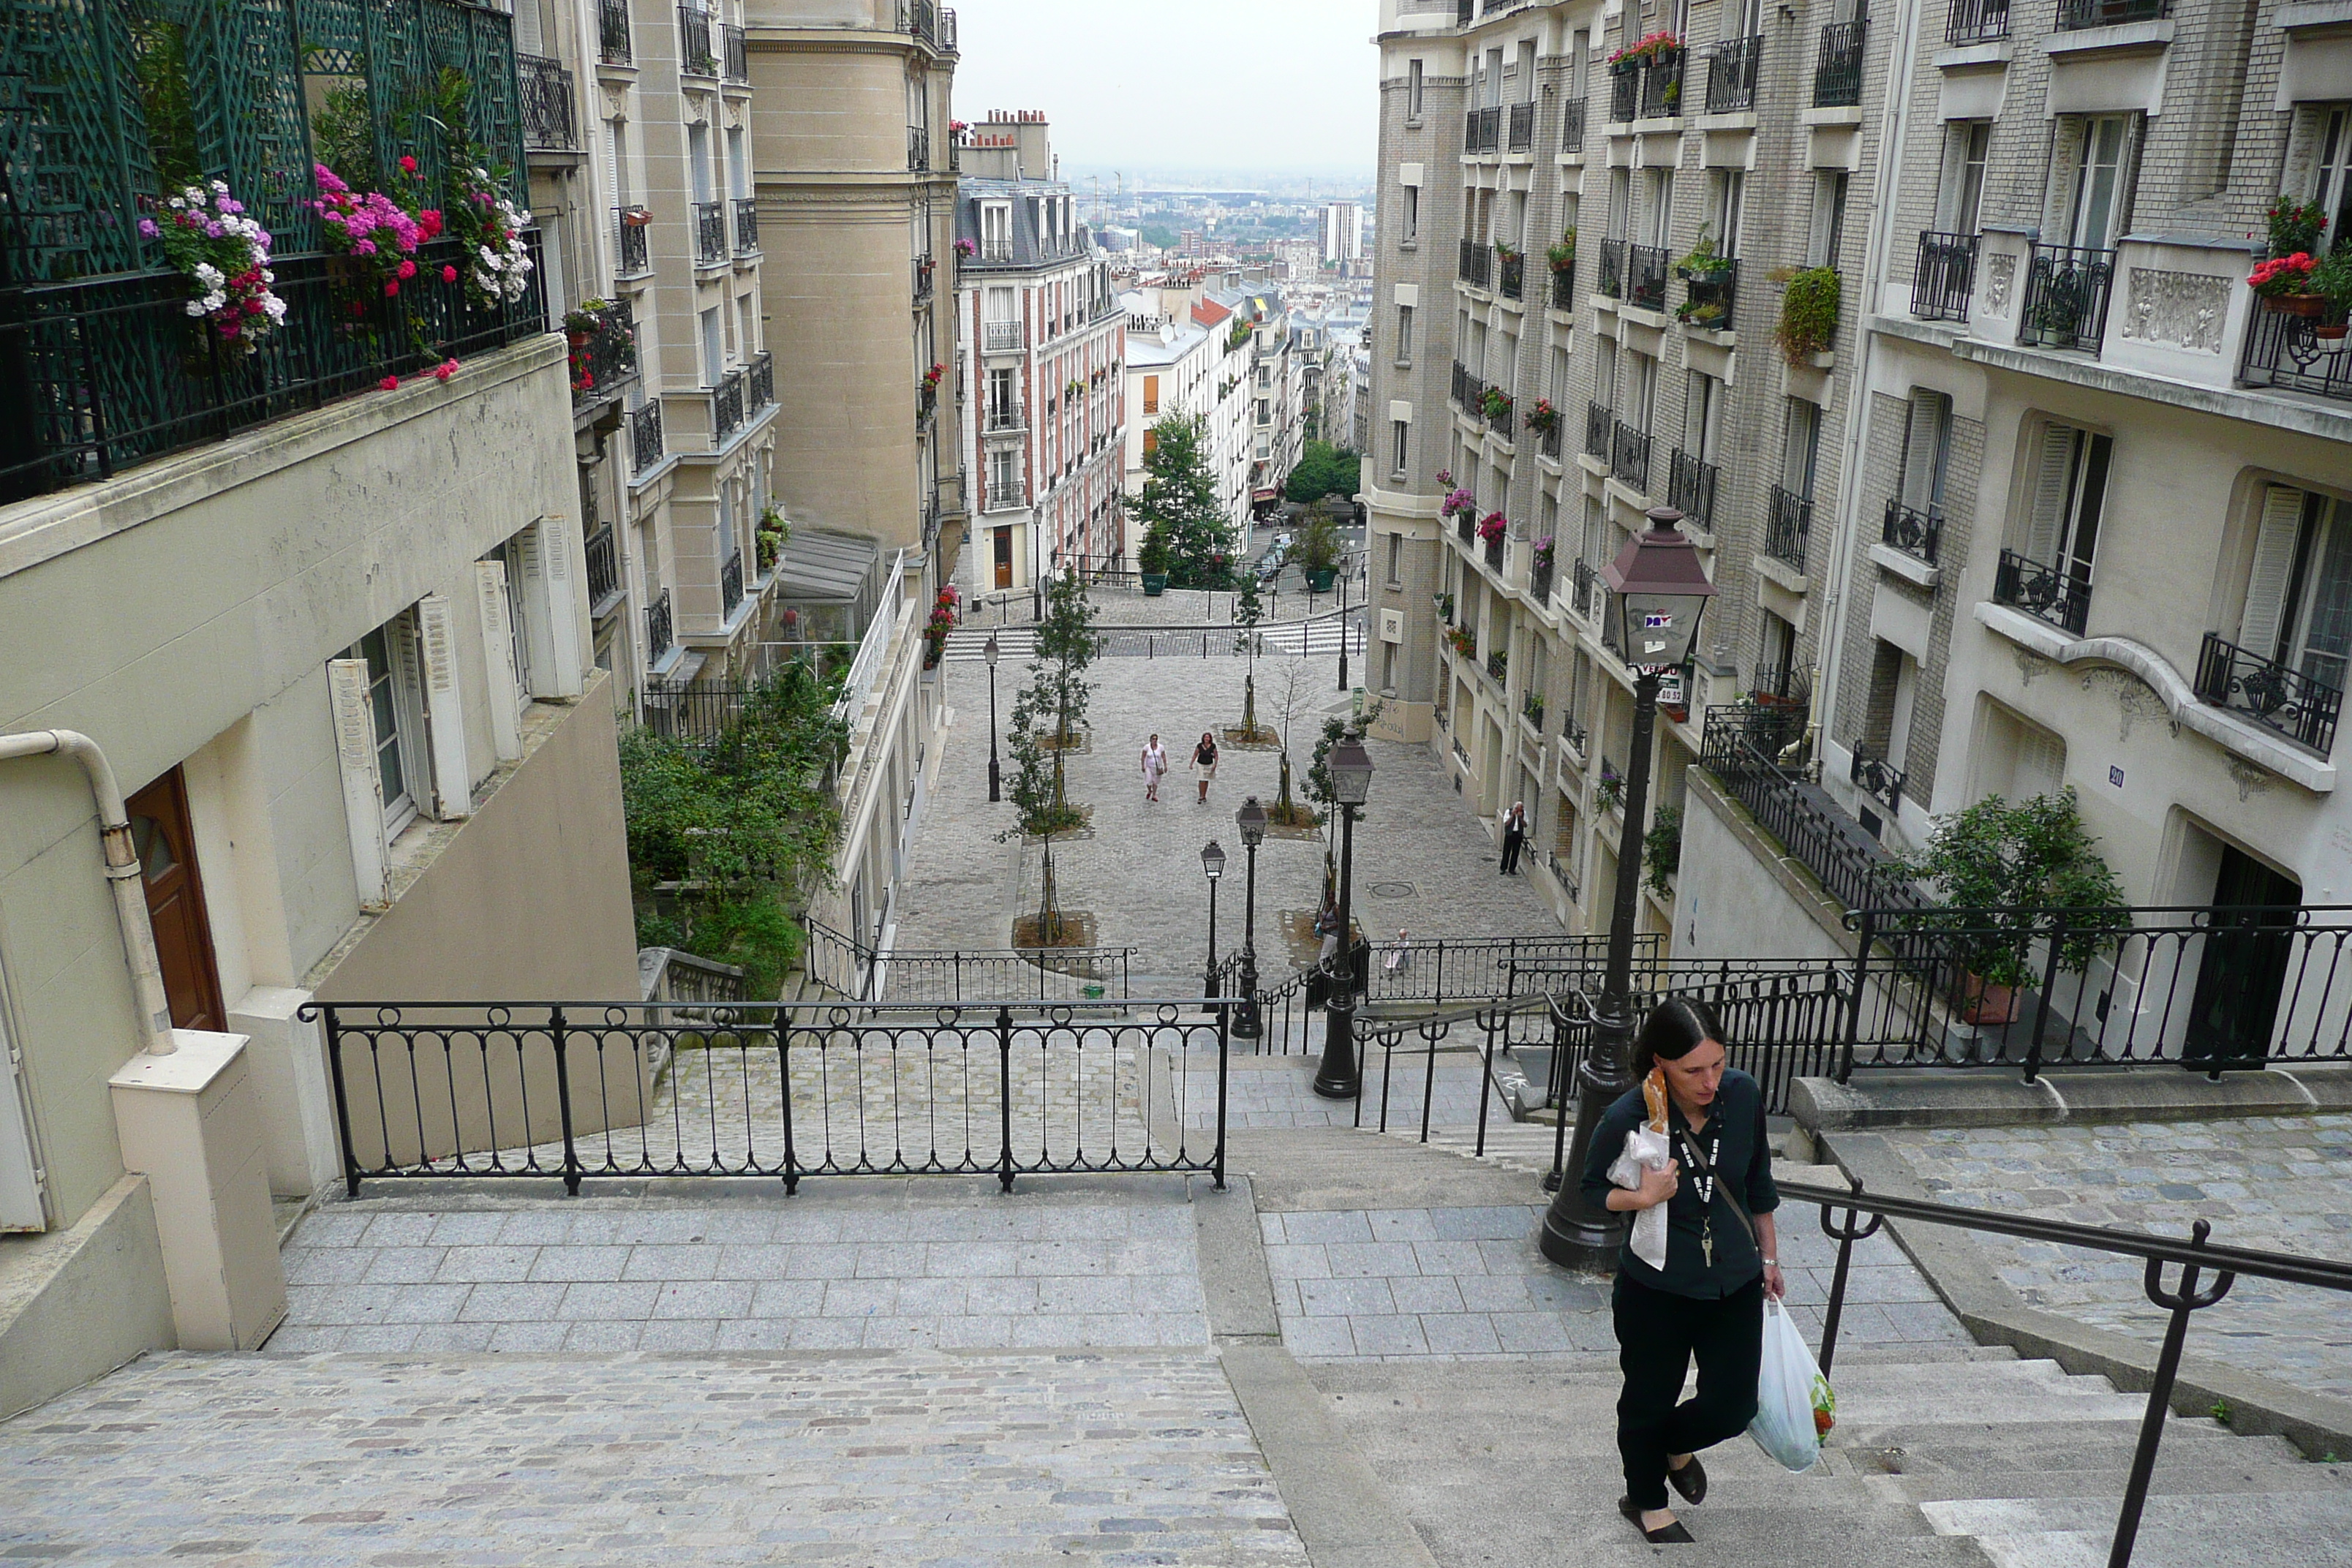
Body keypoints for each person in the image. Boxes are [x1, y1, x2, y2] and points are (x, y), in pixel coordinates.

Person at [1579, 998, 1784, 1546]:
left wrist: (1769, 1257)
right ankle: (1645, 1500)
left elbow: (1758, 1181)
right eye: (1694, 1070)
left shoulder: (1741, 1096)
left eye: (1718, 1063)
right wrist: (1642, 1195)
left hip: (1734, 1278)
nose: (1710, 1080)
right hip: (1657, 1287)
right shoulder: (1629, 1117)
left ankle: (1666, 1446)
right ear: (1658, 1064)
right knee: (1648, 1396)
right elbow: (1590, 1191)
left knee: (1734, 1405)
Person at [1499, 801, 1528, 875]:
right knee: (1506, 852)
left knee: (1515, 852)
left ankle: (1512, 869)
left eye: (1520, 809)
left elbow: (1525, 825)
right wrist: (1512, 815)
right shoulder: (1508, 812)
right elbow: (1506, 823)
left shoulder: (1524, 813)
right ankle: (1503, 868)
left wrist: (1520, 818)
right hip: (1509, 834)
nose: (1519, 811)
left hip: (1518, 834)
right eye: (1517, 809)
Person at [1192, 730, 1220, 804]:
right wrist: (1191, 763)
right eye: (1205, 737)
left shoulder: (1213, 746)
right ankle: (1201, 795)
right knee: (1201, 779)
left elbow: (1216, 755)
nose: (1207, 739)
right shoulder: (1199, 746)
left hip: (1209, 764)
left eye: (1208, 738)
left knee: (1206, 780)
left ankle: (1204, 795)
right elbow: (1195, 754)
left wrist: (1215, 765)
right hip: (1201, 764)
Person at [1140, 734, 1168, 802]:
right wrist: (1143, 766)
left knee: (1155, 782)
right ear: (1151, 740)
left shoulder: (1161, 747)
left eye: (1156, 739)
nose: (1155, 740)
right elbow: (1143, 757)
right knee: (1148, 781)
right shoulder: (1147, 747)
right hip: (1149, 767)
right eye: (1153, 739)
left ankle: (1154, 795)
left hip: (1157, 767)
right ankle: (1150, 790)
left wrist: (1165, 766)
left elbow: (1163, 757)